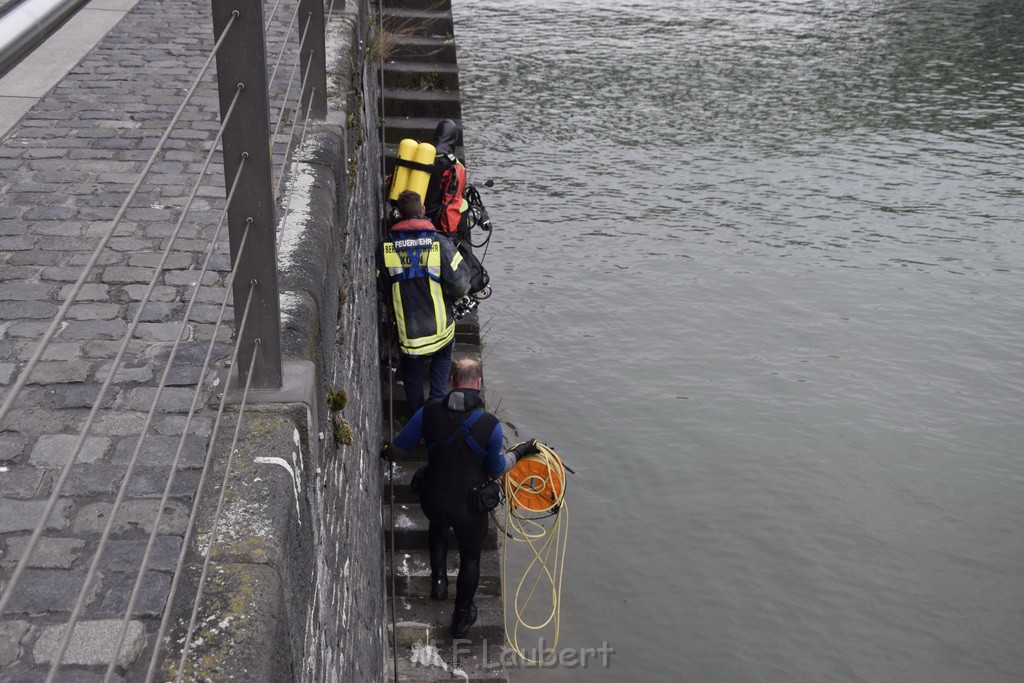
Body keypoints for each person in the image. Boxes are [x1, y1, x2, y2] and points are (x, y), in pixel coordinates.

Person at [383, 357, 541, 638]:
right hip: (470, 508)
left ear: (451, 382)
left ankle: (440, 583)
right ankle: (460, 617)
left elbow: (397, 450)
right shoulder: (490, 424)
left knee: (437, 528)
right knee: (470, 558)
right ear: (478, 384)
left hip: (433, 500)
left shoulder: (427, 413)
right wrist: (520, 452)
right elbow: (495, 468)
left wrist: (384, 452)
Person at [377, 190, 470, 413]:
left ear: (398, 214)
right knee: (442, 360)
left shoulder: (385, 247)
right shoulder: (440, 243)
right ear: (423, 211)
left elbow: (382, 286)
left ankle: (418, 418)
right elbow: (460, 284)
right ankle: (436, 410)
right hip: (440, 330)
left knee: (412, 372)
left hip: (408, 332)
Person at [423, 119, 469, 237]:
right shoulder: (453, 166)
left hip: (408, 213)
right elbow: (451, 203)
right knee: (463, 203)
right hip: (434, 222)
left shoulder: (421, 154)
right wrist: (449, 234)